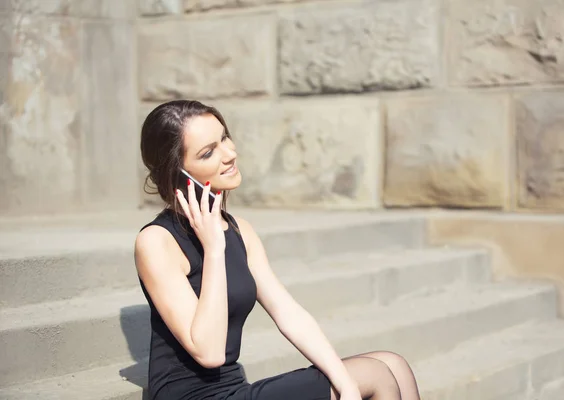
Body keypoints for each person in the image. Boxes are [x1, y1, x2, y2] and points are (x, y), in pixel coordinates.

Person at [135, 100, 421, 400]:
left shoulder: (239, 230)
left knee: (393, 365)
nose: (230, 154)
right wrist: (214, 249)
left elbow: (288, 314)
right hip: (193, 396)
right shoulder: (157, 242)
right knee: (374, 374)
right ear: (177, 172)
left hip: (233, 388)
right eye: (208, 152)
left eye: (224, 138)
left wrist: (345, 384)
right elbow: (210, 352)